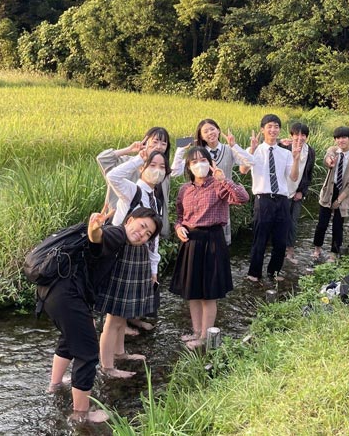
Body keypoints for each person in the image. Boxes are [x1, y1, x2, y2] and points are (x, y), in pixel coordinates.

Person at [43, 207, 160, 423]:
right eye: (142, 226)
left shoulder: (119, 238)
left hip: (54, 290)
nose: (142, 234)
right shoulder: (118, 234)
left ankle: (55, 385)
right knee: (87, 353)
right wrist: (94, 229)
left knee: (70, 340)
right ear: (130, 220)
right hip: (68, 295)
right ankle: (81, 414)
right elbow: (98, 238)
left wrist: (95, 231)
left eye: (148, 234)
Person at [169, 146, 249, 349]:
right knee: (192, 291)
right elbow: (179, 216)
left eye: (202, 160)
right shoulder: (184, 189)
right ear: (188, 166)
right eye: (194, 161)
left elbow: (242, 198)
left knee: (208, 293)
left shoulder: (218, 186)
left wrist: (224, 179)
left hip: (212, 240)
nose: (199, 165)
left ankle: (205, 337)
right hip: (191, 241)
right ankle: (196, 332)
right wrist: (178, 228)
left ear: (210, 162)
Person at [99, 149, 170, 377]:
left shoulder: (155, 197)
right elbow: (113, 177)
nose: (157, 170)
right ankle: (107, 367)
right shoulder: (133, 189)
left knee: (123, 311)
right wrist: (139, 157)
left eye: (161, 167)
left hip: (139, 258)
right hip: (122, 255)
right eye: (153, 165)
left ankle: (119, 353)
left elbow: (154, 238)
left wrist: (153, 268)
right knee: (113, 316)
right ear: (142, 167)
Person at [171, 118, 252, 245]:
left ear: (218, 130)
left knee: (221, 242)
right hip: (203, 203)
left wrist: (234, 145)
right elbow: (175, 171)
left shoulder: (229, 150)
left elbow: (250, 162)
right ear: (201, 136)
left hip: (225, 199)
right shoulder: (198, 154)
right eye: (205, 131)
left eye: (212, 129)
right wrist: (181, 149)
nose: (210, 133)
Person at [245, 114, 301, 282]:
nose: (273, 129)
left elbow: (293, 177)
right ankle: (254, 273)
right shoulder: (254, 150)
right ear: (262, 130)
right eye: (269, 126)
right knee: (260, 238)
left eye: (276, 126)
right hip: (263, 199)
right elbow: (242, 170)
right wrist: (252, 150)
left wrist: (296, 159)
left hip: (282, 199)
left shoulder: (285, 153)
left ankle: (274, 272)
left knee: (280, 239)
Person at [312, 127, 349, 262]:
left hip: (343, 194)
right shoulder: (333, 151)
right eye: (338, 138)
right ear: (335, 140)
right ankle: (317, 249)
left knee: (338, 225)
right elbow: (327, 157)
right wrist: (329, 161)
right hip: (328, 191)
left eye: (344, 137)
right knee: (322, 224)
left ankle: (334, 253)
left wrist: (339, 200)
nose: (341, 140)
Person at [279, 122, 316, 264]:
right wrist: (279, 141)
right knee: (281, 222)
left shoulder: (310, 151)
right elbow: (268, 146)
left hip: (297, 193)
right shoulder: (284, 147)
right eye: (296, 135)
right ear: (291, 135)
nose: (299, 138)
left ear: (306, 137)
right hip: (282, 191)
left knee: (293, 222)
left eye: (303, 135)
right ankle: (279, 251)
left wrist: (302, 192)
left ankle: (290, 252)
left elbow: (308, 174)